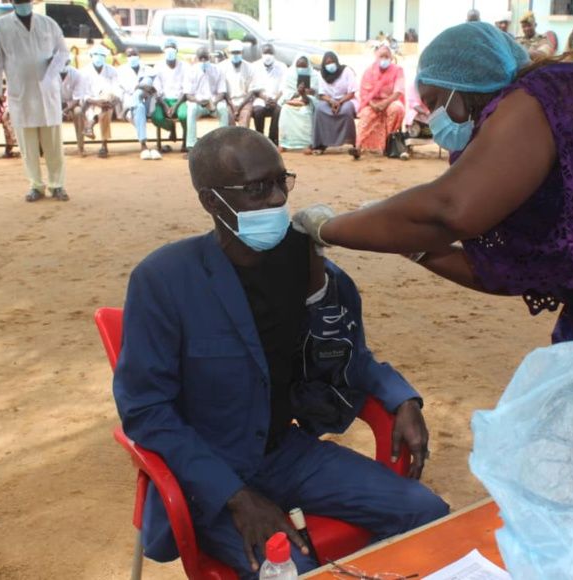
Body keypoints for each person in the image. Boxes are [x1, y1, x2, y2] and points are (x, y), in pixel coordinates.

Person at [293, 22, 573, 369]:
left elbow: (449, 210)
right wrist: (412, 248)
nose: (432, 117)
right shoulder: (508, 142)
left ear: (464, 89)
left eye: (434, 101)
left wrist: (328, 227)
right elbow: (507, 270)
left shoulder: (541, 95)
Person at [113, 125, 449, 577]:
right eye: (257, 188)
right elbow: (146, 409)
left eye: (280, 181)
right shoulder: (163, 280)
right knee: (290, 569)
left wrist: (399, 395)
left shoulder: (301, 260)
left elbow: (343, 347)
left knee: (426, 512)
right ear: (212, 201)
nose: (276, 200)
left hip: (286, 453)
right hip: (209, 474)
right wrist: (234, 495)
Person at [0, 0, 69, 202]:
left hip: (47, 89)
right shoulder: (0, 26)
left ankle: (57, 184)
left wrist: (56, 64)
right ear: (13, 3)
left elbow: (63, 51)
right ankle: (35, 185)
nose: (22, 3)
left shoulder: (48, 24)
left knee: (53, 144)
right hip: (20, 92)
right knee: (27, 145)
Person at [354, 44, 405, 159]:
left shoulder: (397, 70)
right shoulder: (369, 71)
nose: (384, 59)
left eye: (386, 56)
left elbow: (398, 92)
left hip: (390, 101)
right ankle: (358, 147)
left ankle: (389, 146)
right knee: (367, 115)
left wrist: (385, 103)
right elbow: (364, 92)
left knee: (397, 108)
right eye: (381, 56)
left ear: (391, 58)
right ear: (376, 58)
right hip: (372, 103)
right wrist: (374, 105)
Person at [117, 47, 160, 159]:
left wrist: (143, 86)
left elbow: (154, 88)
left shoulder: (147, 69)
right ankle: (143, 145)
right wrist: (141, 87)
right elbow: (129, 89)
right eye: (129, 55)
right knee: (139, 107)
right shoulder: (121, 71)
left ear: (138, 55)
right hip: (131, 104)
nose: (132, 57)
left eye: (134, 54)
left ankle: (128, 107)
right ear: (126, 57)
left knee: (147, 80)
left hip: (148, 102)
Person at [183, 46, 228, 152]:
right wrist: (198, 101)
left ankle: (222, 143)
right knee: (191, 110)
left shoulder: (218, 70)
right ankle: (191, 146)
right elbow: (188, 94)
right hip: (197, 103)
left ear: (209, 58)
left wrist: (213, 102)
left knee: (223, 109)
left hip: (214, 103)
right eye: (201, 58)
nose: (203, 61)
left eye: (205, 58)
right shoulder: (191, 71)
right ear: (197, 58)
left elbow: (222, 92)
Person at [311, 51, 357, 155]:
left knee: (346, 110)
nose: (329, 65)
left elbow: (352, 92)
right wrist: (331, 101)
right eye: (327, 63)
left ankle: (350, 142)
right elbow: (321, 94)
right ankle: (320, 144)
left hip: (346, 99)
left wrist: (339, 102)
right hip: (329, 101)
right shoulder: (321, 74)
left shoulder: (347, 71)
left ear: (336, 61)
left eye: (331, 62)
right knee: (319, 109)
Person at [81, 44, 119, 159]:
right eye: (95, 55)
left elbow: (116, 89)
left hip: (108, 101)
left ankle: (91, 124)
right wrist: (95, 102)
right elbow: (82, 93)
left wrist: (110, 100)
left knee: (107, 98)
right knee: (105, 110)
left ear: (105, 56)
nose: (98, 57)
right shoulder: (84, 71)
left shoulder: (111, 70)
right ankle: (104, 145)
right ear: (91, 56)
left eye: (101, 55)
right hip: (90, 103)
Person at [150, 37, 188, 151]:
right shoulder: (158, 67)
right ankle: (171, 127)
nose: (170, 50)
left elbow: (186, 89)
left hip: (181, 100)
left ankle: (186, 142)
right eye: (168, 48)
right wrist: (165, 106)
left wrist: (175, 105)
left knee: (185, 115)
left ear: (177, 50)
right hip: (163, 101)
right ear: (163, 50)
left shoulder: (185, 66)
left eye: (173, 48)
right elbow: (156, 89)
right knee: (156, 117)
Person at [276, 53, 318, 151]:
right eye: (299, 67)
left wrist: (305, 93)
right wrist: (297, 93)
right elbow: (285, 92)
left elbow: (315, 94)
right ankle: (284, 143)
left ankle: (307, 144)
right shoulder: (289, 74)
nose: (301, 69)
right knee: (285, 110)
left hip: (307, 102)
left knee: (305, 111)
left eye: (304, 67)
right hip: (291, 100)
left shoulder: (314, 75)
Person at [250, 43, 286, 145]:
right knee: (258, 111)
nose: (268, 55)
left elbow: (283, 87)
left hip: (276, 98)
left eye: (270, 53)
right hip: (260, 98)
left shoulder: (282, 67)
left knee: (278, 110)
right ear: (261, 54)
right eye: (265, 53)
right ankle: (260, 139)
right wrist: (265, 98)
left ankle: (272, 140)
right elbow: (254, 88)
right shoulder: (254, 66)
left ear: (274, 54)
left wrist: (275, 100)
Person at [219, 38, 254, 128]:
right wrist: (232, 105)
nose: (235, 55)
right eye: (233, 52)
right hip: (228, 101)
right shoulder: (222, 67)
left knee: (244, 121)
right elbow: (222, 90)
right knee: (229, 119)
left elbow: (251, 91)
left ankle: (243, 142)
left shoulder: (249, 67)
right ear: (228, 53)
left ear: (242, 53)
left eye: (238, 52)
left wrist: (240, 106)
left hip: (245, 101)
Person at [59, 60, 87, 156]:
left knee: (78, 112)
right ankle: (48, 149)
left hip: (72, 103)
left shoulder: (77, 74)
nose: (63, 64)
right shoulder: (50, 74)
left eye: (66, 62)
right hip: (55, 104)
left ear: (69, 62)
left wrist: (65, 110)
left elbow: (77, 98)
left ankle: (81, 147)